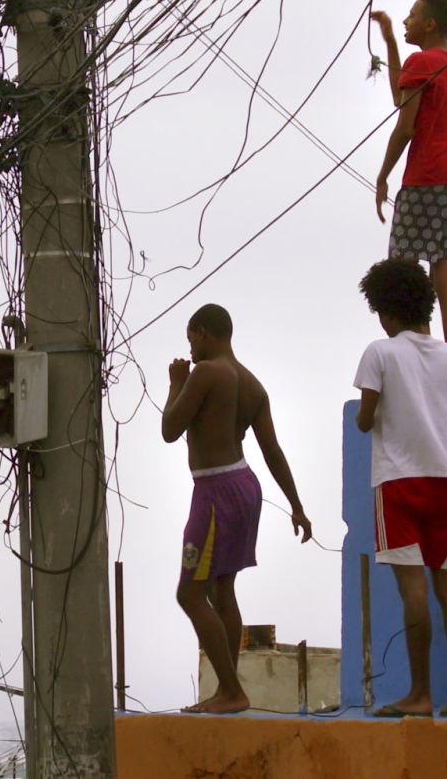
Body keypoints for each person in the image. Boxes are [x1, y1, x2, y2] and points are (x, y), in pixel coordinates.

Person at [353, 259, 447, 718]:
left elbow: (365, 417)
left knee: (413, 588)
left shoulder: (381, 352)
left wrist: (364, 415)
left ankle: (420, 694)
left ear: (385, 311)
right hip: (444, 482)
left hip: (397, 481)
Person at [162, 303, 313, 714]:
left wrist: (176, 383)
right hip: (245, 486)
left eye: (191, 337)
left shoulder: (206, 373)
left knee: (189, 593)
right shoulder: (251, 384)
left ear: (206, 333)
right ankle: (227, 690)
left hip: (215, 490)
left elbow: (170, 430)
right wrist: (296, 505)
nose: (189, 347)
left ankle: (231, 690)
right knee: (221, 588)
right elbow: (273, 451)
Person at [370, 0, 447, 348]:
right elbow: (402, 97)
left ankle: (418, 351)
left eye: (413, 15)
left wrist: (383, 174)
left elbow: (405, 127)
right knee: (445, 274)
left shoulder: (422, 62)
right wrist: (389, 42)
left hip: (429, 179)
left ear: (430, 24)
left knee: (404, 269)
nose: (405, 20)